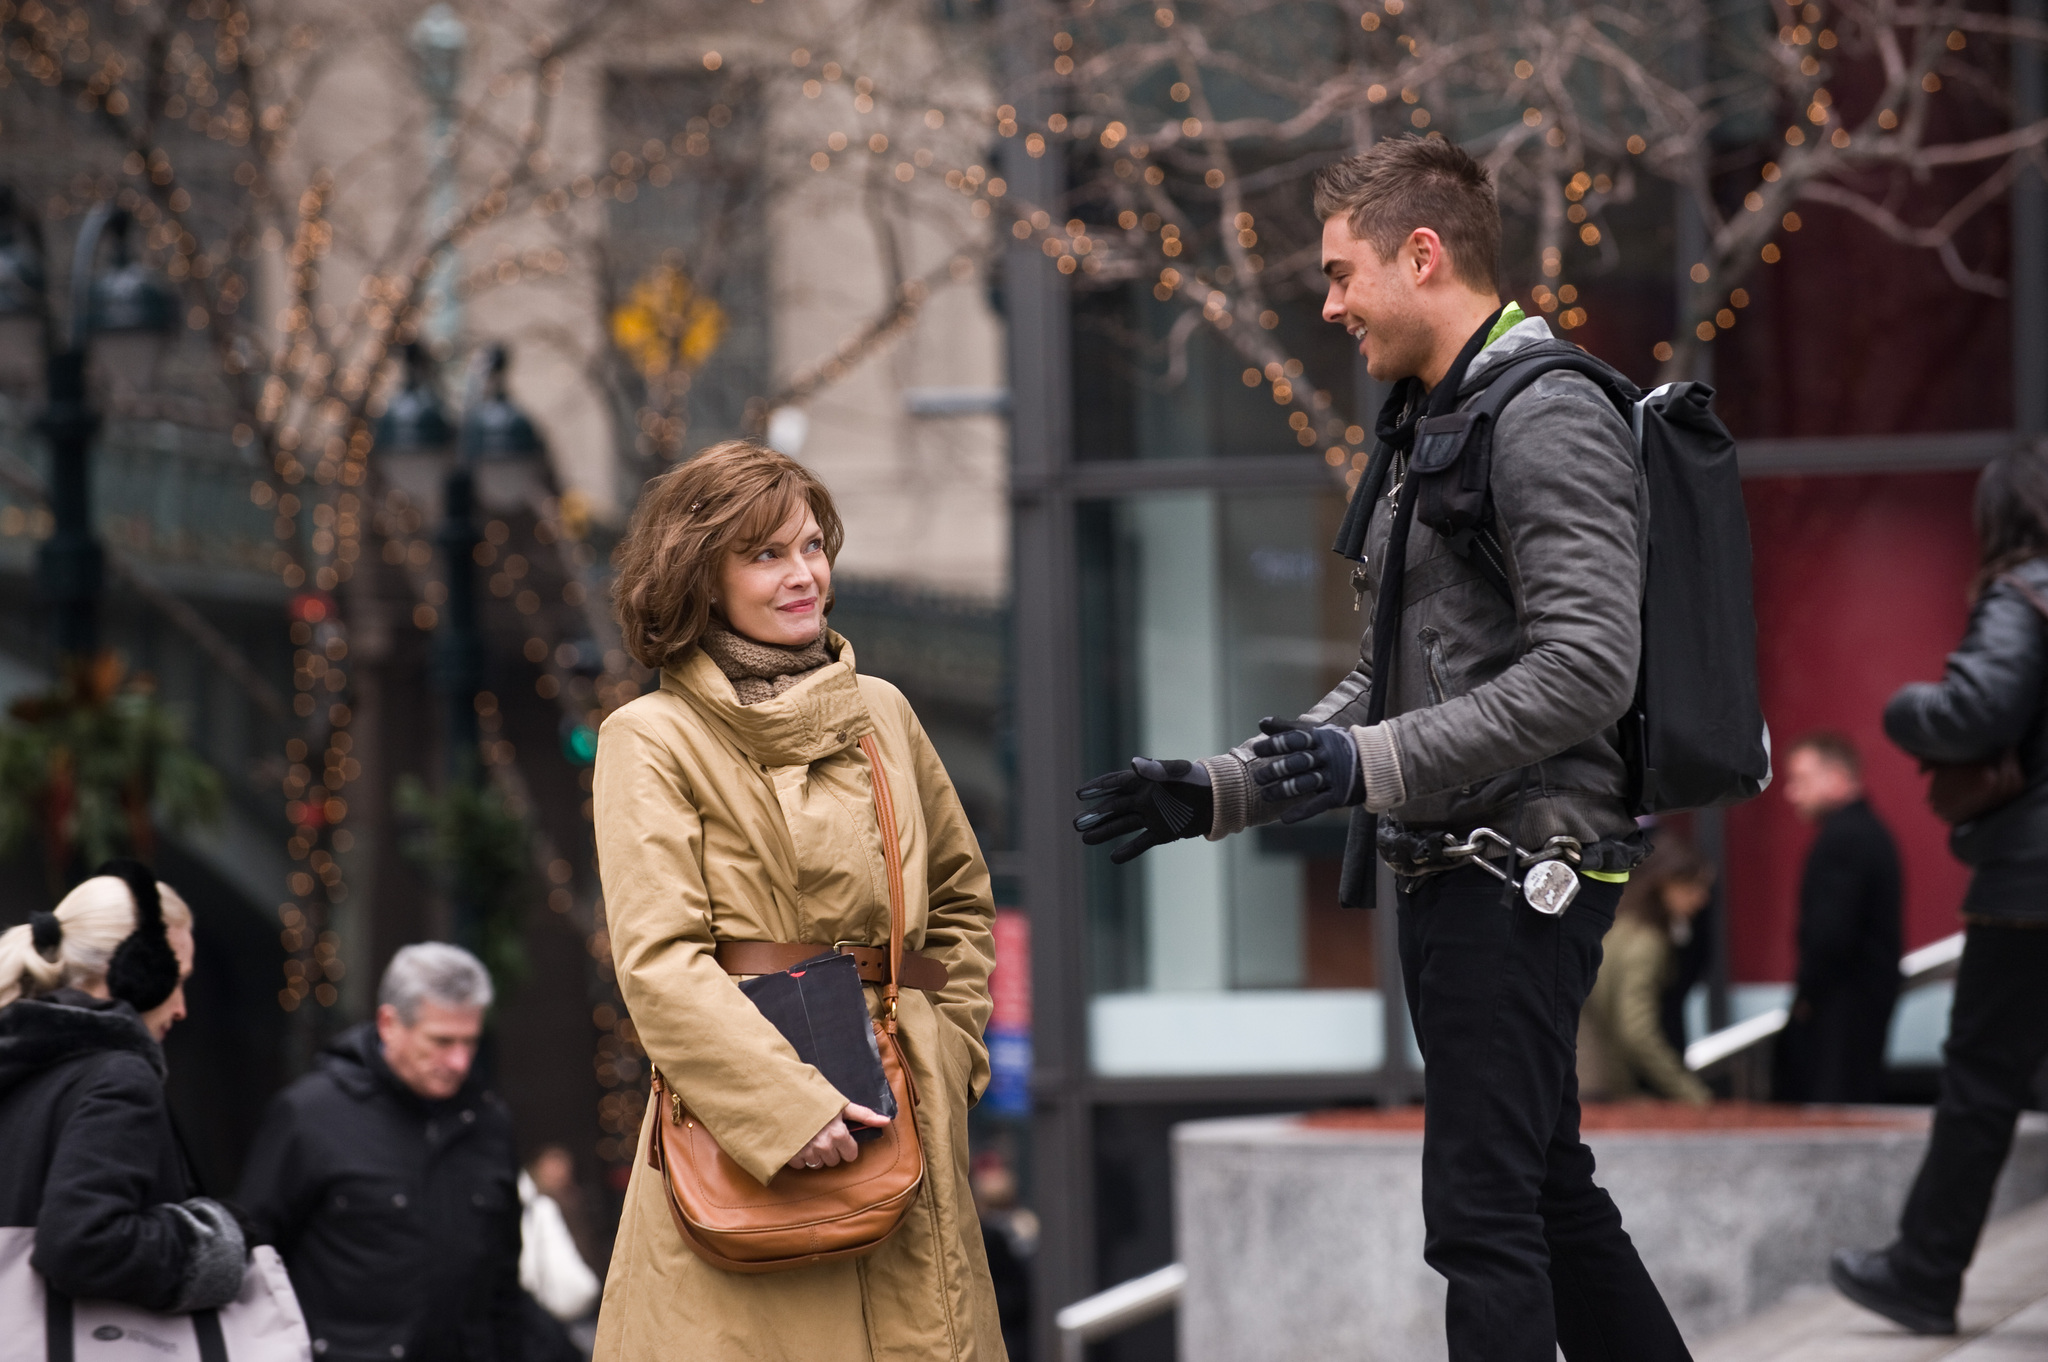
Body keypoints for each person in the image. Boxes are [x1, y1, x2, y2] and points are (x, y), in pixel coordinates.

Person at [1076, 136, 1691, 1361]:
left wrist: (1370, 768)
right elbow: (1389, 681)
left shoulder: (1544, 410)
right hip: (1467, 864)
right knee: (1543, 1190)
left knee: (1481, 1217)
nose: (1328, 304)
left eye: (1339, 272)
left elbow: (1585, 667)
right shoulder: (1439, 416)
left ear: (1422, 255)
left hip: (1515, 869)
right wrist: (1218, 790)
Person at [591, 440, 1001, 1357]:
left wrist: (949, 1049)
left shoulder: (883, 712)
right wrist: (785, 1107)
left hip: (909, 1125)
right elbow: (659, 961)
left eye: (812, 546)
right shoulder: (650, 737)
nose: (803, 574)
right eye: (766, 554)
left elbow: (960, 909)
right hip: (753, 1160)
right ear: (702, 577)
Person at [1832, 448, 2048, 1335]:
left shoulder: (2024, 590)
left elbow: (1977, 708)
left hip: (2032, 884)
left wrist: (1902, 708)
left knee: (1981, 1081)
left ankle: (1922, 1274)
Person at [239, 942, 522, 1362]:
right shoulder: (311, 1115)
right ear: (389, 1024)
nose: (460, 1061)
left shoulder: (489, 1125)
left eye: (470, 1042)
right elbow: (252, 1260)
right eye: (442, 1041)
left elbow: (503, 1284)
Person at [0, 864, 247, 1312]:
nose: (182, 1007)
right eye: (178, 980)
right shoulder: (118, 1078)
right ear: (137, 970)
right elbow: (82, 1242)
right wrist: (207, 1242)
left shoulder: (20, 1063)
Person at [1774, 731, 1902, 1104]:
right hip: (1859, 1002)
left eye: (1801, 780)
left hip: (1840, 1007)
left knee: (1833, 1109)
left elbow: (1830, 933)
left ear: (1837, 777)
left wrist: (1808, 994)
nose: (1791, 793)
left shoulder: (1843, 839)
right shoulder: (1870, 832)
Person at [1579, 838, 1714, 1105]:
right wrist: (1691, 1094)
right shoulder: (1646, 943)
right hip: (1598, 1084)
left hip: (1583, 1077)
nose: (1702, 899)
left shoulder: (1618, 927)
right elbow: (1636, 1030)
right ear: (1664, 883)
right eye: (1692, 887)